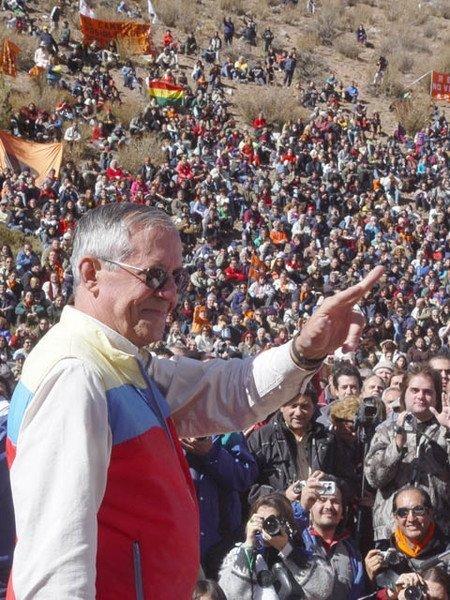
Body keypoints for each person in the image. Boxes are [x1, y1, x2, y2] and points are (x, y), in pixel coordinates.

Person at [6, 203, 383, 598]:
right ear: (91, 273)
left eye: (176, 277)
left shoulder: (122, 361)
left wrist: (303, 352)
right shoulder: (75, 374)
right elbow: (55, 566)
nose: (169, 294)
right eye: (154, 275)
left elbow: (225, 391)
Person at [364, 365, 450, 543]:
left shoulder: (445, 430)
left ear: (436, 396)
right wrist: (396, 446)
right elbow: (374, 479)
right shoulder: (386, 430)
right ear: (404, 393)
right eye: (414, 390)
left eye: (428, 392)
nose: (420, 396)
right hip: (391, 531)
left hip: (437, 532)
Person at [247, 383, 356, 503]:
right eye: (293, 406)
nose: (298, 412)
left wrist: (329, 480)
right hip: (280, 512)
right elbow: (249, 489)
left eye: (305, 406)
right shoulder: (262, 439)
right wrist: (283, 496)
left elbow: (349, 484)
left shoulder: (328, 439)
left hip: (319, 513)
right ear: (281, 406)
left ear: (314, 408)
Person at [218, 492, 334, 599]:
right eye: (261, 520)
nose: (267, 526)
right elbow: (230, 595)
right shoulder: (239, 555)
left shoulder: (304, 550)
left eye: (273, 520)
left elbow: (323, 590)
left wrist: (287, 550)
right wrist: (249, 544)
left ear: (288, 523)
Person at [364, 486, 450, 595]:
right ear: (395, 517)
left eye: (418, 510)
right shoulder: (381, 551)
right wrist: (369, 578)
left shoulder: (446, 550)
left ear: (430, 513)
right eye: (402, 512)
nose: (411, 519)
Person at [294, 473, 366, 599]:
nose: (328, 506)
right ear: (310, 506)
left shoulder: (352, 551)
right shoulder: (297, 540)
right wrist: (301, 507)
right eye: (322, 500)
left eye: (335, 501)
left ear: (343, 512)